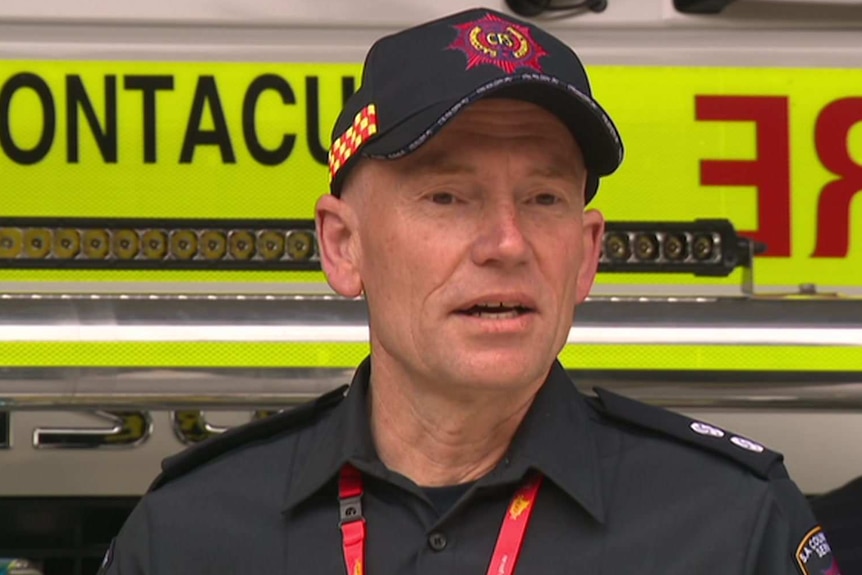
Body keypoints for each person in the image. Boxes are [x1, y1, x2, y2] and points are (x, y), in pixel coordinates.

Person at [99, 7, 840, 575]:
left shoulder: (732, 522)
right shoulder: (190, 533)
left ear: (586, 255)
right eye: (448, 196)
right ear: (342, 245)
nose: (508, 242)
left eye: (545, 198)